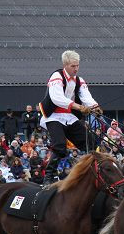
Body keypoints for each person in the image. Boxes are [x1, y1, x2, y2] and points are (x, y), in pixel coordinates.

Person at [38, 50, 102, 185]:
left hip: (69, 116)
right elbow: (57, 98)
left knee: (90, 141)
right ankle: (48, 177)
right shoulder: (57, 76)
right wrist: (78, 107)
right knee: (60, 145)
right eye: (73, 66)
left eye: (77, 65)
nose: (76, 69)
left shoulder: (79, 80)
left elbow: (86, 96)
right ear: (65, 65)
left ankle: (92, 172)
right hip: (53, 115)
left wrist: (95, 107)